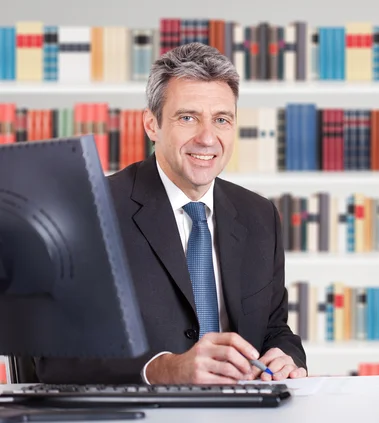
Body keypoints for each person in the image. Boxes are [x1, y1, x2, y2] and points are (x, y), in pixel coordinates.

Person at [34, 42, 307, 384]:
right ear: (152, 124)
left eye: (221, 119)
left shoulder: (259, 215)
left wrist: (285, 356)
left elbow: (275, 329)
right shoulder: (90, 210)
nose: (207, 138)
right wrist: (166, 369)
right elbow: (57, 357)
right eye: (188, 118)